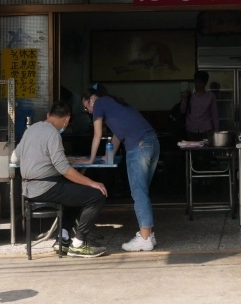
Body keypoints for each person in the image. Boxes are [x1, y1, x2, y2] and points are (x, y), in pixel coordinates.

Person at [12, 101, 107, 258]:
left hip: (29, 188)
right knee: (96, 195)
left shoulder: (32, 129)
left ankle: (62, 239)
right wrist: (92, 183)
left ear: (49, 115)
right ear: (67, 119)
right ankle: (78, 244)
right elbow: (64, 170)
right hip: (46, 186)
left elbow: (14, 157)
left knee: (76, 193)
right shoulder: (53, 133)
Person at [82, 85, 160, 252]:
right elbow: (118, 134)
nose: (88, 111)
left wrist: (90, 159)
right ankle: (149, 234)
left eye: (86, 106)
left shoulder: (100, 104)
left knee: (139, 193)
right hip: (152, 142)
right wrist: (107, 155)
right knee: (142, 192)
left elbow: (97, 134)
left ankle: (145, 238)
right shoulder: (114, 103)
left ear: (92, 99)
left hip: (138, 146)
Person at [179, 70, 219, 140]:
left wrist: (216, 131)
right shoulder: (190, 95)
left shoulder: (210, 96)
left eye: (200, 82)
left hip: (206, 129)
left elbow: (214, 114)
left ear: (205, 83)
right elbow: (182, 110)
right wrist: (185, 97)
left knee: (206, 150)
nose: (198, 84)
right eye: (196, 82)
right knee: (193, 150)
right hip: (191, 129)